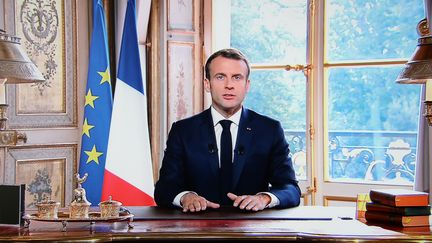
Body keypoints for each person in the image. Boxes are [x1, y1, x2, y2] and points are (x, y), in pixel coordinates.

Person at [154, 48, 301, 212]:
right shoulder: (183, 131)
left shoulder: (270, 130)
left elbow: (291, 189)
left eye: (237, 78)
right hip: (198, 230)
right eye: (220, 77)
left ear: (247, 85)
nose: (229, 85)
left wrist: (263, 198)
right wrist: (186, 197)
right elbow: (164, 189)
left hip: (253, 231)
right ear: (207, 84)